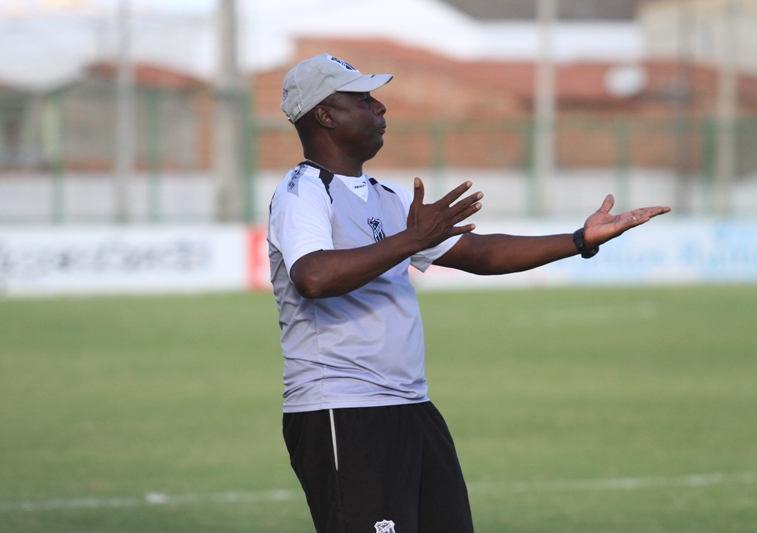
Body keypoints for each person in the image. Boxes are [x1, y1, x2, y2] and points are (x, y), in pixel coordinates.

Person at [267, 53, 670, 533]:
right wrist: (414, 240)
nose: (380, 109)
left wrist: (579, 241)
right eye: (362, 99)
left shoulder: (388, 196)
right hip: (343, 411)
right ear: (325, 115)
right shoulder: (302, 192)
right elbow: (312, 277)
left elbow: (478, 253)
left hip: (411, 407)